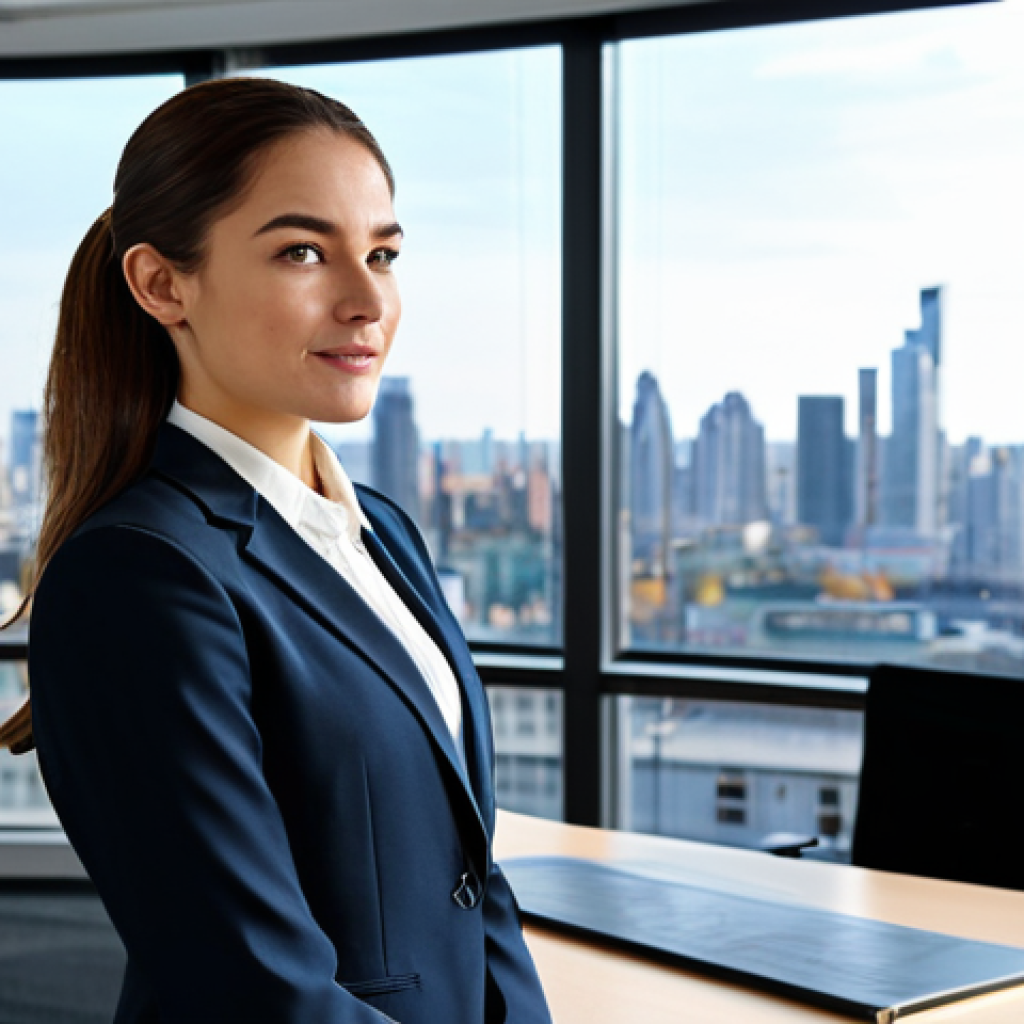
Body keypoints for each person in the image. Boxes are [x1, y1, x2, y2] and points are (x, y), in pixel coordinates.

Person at [0, 76, 553, 1024]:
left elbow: (471, 879)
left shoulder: (382, 529)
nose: (367, 299)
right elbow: (250, 982)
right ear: (162, 283)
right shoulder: (141, 573)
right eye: (304, 252)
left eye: (382, 253)